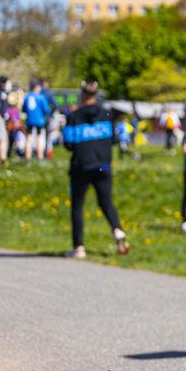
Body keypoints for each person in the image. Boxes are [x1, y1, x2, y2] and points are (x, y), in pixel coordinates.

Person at [63, 81, 129, 259]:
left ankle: (79, 247)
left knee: (77, 206)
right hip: (103, 165)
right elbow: (114, 139)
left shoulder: (74, 116)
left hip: (81, 166)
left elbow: (68, 144)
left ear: (82, 95)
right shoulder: (106, 114)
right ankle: (117, 229)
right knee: (106, 202)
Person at [22, 80, 50, 162]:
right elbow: (46, 109)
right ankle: (40, 157)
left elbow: (24, 109)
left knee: (29, 138)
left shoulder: (27, 97)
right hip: (39, 120)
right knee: (39, 137)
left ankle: (27, 158)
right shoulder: (41, 97)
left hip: (29, 120)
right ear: (37, 87)